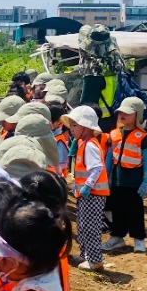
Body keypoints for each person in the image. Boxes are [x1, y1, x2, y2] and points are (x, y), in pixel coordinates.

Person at [61, 106, 109, 273]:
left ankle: (95, 261)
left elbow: (97, 169)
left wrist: (88, 186)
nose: (71, 129)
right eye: (71, 125)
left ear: (86, 127)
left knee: (90, 227)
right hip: (85, 194)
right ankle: (85, 255)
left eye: (75, 125)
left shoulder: (90, 146)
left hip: (93, 194)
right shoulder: (83, 143)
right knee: (82, 225)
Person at [102, 97, 147, 254]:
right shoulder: (114, 134)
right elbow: (110, 156)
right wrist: (106, 176)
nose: (122, 115)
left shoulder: (143, 136)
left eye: (127, 113)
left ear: (137, 115)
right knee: (117, 209)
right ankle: (117, 237)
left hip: (134, 181)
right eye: (120, 112)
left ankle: (139, 239)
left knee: (135, 210)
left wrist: (146, 181)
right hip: (117, 179)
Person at [50, 106, 70, 178]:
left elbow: (61, 166)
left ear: (59, 121)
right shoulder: (51, 137)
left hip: (57, 180)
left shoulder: (59, 141)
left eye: (50, 121)